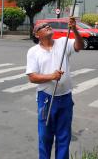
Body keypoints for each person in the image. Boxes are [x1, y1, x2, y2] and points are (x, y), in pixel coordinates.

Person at [26, 17, 83, 159]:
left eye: (48, 25)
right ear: (36, 34)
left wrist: (74, 28)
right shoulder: (33, 52)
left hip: (65, 97)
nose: (47, 26)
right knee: (45, 137)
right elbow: (32, 77)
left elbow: (79, 46)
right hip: (46, 98)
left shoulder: (63, 42)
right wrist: (51, 76)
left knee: (64, 137)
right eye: (43, 26)